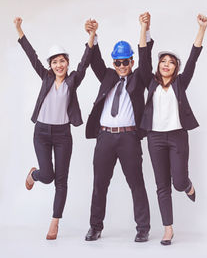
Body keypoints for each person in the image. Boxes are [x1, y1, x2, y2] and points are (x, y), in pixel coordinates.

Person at [14, 17, 96, 240]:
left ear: (67, 63)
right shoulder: (46, 78)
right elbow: (32, 57)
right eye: (55, 62)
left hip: (62, 135)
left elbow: (85, 62)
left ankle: (55, 222)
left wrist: (91, 36)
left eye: (62, 61)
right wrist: (20, 29)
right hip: (41, 132)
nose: (59, 65)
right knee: (47, 176)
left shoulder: (73, 80)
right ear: (50, 65)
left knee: (61, 180)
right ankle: (34, 174)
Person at [84, 13, 153, 242]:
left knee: (136, 183)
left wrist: (144, 29)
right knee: (99, 184)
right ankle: (95, 226)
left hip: (128, 138)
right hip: (104, 137)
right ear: (114, 63)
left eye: (125, 61)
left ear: (131, 61)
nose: (122, 66)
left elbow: (146, 60)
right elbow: (95, 59)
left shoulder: (139, 78)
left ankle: (142, 228)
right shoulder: (107, 76)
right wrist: (93, 34)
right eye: (118, 62)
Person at [140, 14, 207, 245]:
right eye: (163, 61)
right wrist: (145, 29)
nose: (166, 63)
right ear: (159, 66)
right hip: (155, 137)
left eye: (171, 61)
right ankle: (168, 229)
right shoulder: (149, 82)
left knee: (178, 182)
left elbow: (193, 58)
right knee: (162, 186)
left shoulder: (180, 82)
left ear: (175, 67)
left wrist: (202, 29)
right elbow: (143, 56)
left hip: (178, 136)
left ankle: (187, 185)